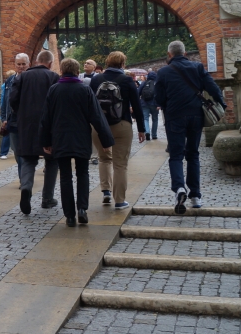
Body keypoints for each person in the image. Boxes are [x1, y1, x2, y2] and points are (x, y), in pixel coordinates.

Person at [41, 58, 114, 227]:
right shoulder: (85, 90)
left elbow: (46, 118)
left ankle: (69, 215)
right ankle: (82, 208)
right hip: (81, 137)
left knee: (65, 176)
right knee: (82, 173)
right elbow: (96, 116)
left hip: (60, 137)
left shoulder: (54, 90)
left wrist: (46, 141)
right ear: (77, 71)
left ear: (62, 71)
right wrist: (105, 140)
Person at [155, 41, 226, 213]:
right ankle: (195, 195)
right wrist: (222, 105)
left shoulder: (163, 72)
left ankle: (179, 188)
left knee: (176, 155)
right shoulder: (197, 67)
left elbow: (159, 99)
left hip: (174, 117)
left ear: (169, 54)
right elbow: (212, 87)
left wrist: (167, 104)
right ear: (185, 53)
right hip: (196, 115)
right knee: (193, 154)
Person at [90, 51, 146, 210]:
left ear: (107, 62)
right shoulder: (127, 80)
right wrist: (141, 129)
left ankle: (106, 191)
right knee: (120, 164)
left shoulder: (96, 80)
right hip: (122, 124)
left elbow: (90, 104)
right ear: (122, 64)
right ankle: (120, 201)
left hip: (100, 126)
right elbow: (137, 106)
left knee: (104, 159)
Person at [9, 50, 60, 214]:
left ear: (36, 61)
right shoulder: (53, 77)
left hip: (26, 124)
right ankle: (47, 198)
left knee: (28, 159)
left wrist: (21, 113)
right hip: (48, 124)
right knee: (52, 160)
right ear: (50, 63)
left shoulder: (22, 77)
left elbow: (12, 99)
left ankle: (26, 187)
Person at [0, 54, 30, 159]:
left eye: (23, 64)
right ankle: (22, 168)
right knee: (16, 150)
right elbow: (5, 100)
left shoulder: (32, 79)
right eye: (19, 64)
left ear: (28, 64)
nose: (21, 67)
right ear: (15, 65)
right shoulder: (10, 80)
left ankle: (24, 169)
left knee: (26, 150)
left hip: (28, 120)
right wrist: (4, 118)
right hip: (12, 120)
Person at [0, 70, 16, 159]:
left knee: (9, 133)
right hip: (9, 112)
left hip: (10, 112)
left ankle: (4, 152)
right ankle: (3, 152)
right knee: (7, 132)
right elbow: (4, 100)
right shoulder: (6, 86)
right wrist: (3, 117)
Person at [139, 70, 159, 140]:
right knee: (155, 119)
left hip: (144, 103)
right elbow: (159, 94)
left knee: (145, 118)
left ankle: (147, 132)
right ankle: (154, 135)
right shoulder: (157, 84)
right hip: (154, 104)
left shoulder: (144, 83)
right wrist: (159, 104)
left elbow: (138, 92)